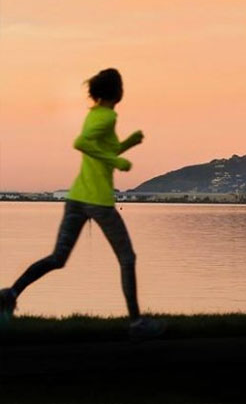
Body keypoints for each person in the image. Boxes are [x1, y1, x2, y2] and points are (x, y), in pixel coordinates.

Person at [0, 68, 164, 340]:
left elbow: (98, 150)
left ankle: (10, 294)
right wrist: (117, 161)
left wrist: (127, 145)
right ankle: (137, 323)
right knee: (127, 258)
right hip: (97, 200)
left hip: (76, 198)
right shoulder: (107, 116)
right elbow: (82, 143)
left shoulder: (95, 115)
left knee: (58, 258)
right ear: (118, 92)